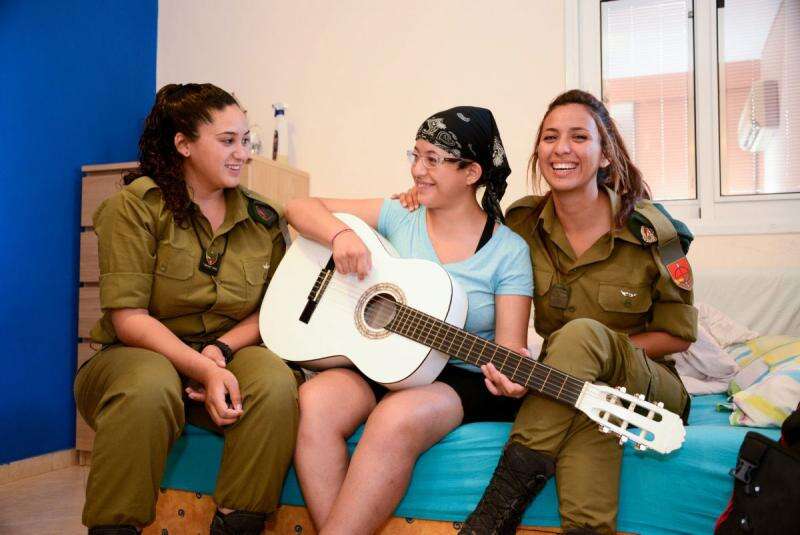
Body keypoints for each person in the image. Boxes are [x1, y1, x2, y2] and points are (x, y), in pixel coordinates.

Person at [283, 106, 534, 535]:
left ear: (472, 172)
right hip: (381, 358)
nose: (417, 170)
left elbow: (509, 348)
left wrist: (512, 378)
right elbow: (298, 206)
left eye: (432, 159)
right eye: (415, 155)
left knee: (394, 418)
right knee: (315, 402)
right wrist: (340, 235)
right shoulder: (399, 214)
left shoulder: (509, 251)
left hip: (459, 375)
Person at [456, 89, 697, 534]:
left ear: (605, 154)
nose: (561, 148)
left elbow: (678, 335)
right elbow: (459, 224)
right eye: (550, 137)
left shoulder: (653, 232)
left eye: (579, 137)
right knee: (590, 402)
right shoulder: (522, 224)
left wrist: (598, 352)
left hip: (651, 384)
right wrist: (418, 197)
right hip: (573, 387)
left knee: (582, 338)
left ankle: (492, 517)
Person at [74, 83, 299, 535]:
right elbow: (129, 319)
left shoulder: (265, 218)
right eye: (228, 141)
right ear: (183, 144)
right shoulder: (134, 208)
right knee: (148, 386)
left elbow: (273, 310)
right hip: (136, 353)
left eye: (245, 141)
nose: (243, 154)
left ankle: (237, 523)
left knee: (274, 383)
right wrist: (204, 370)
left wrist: (220, 350)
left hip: (224, 350)